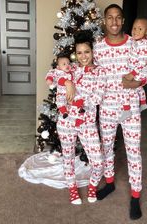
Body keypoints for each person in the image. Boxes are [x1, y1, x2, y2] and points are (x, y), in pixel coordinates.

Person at [93, 4, 147, 220]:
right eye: (110, 18)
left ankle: (135, 196)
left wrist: (139, 81)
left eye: (118, 17)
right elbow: (93, 73)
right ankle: (109, 183)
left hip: (130, 107)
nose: (114, 22)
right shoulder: (98, 47)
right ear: (104, 21)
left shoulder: (135, 43)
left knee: (133, 150)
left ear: (123, 20)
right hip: (108, 106)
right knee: (106, 146)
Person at [56, 30, 106, 205]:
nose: (83, 56)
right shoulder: (71, 69)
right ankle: (72, 189)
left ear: (92, 52)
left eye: (87, 52)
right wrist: (68, 82)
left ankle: (92, 186)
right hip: (66, 121)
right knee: (68, 157)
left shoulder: (100, 72)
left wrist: (78, 98)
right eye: (79, 53)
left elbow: (97, 98)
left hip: (87, 123)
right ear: (75, 54)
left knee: (98, 161)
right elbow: (54, 76)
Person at [121, 17, 147, 119]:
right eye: (134, 28)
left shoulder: (144, 45)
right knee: (138, 88)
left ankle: (126, 110)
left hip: (140, 70)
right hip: (138, 70)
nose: (135, 31)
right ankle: (143, 103)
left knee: (125, 88)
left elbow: (142, 63)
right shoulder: (139, 40)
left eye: (140, 29)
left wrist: (132, 74)